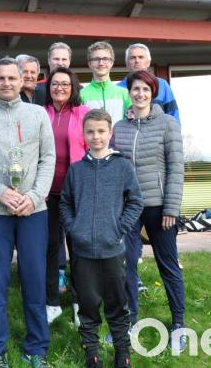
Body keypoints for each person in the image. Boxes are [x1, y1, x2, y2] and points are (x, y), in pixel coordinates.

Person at [0, 58, 56, 368]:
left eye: (11, 78)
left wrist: (34, 195)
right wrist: (1, 192)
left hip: (33, 211)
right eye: (0, 78)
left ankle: (37, 346)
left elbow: (48, 158)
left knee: (34, 278)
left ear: (22, 80)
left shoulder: (38, 114)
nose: (5, 83)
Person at [59, 109, 143, 368]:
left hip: (113, 249)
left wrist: (119, 229)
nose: (96, 136)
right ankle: (92, 352)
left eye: (101, 131)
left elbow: (135, 202)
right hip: (83, 251)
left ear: (110, 133)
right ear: (83, 134)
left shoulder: (122, 166)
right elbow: (65, 204)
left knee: (117, 305)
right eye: (90, 131)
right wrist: (75, 230)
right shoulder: (76, 170)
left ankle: (122, 352)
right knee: (88, 305)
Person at [112, 70, 187, 353]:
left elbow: (177, 168)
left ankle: (179, 323)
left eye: (145, 89)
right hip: (129, 208)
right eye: (135, 89)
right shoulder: (119, 127)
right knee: (126, 264)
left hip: (159, 208)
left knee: (168, 265)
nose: (140, 94)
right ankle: (130, 322)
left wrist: (172, 207)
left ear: (152, 92)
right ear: (129, 92)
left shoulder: (168, 124)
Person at [42, 67, 90, 326]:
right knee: (50, 248)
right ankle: (51, 303)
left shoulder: (84, 114)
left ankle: (79, 303)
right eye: (55, 84)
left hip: (77, 192)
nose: (59, 88)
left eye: (64, 84)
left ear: (73, 87)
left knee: (78, 249)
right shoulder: (42, 113)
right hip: (47, 193)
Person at [118, 43, 181, 124]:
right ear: (127, 63)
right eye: (132, 58)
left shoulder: (162, 85)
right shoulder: (118, 89)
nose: (137, 61)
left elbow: (173, 114)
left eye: (141, 57)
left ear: (148, 62)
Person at [79, 41, 131, 124]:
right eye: (96, 59)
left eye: (105, 59)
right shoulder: (81, 95)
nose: (101, 63)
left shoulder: (124, 94)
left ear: (111, 63)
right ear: (89, 64)